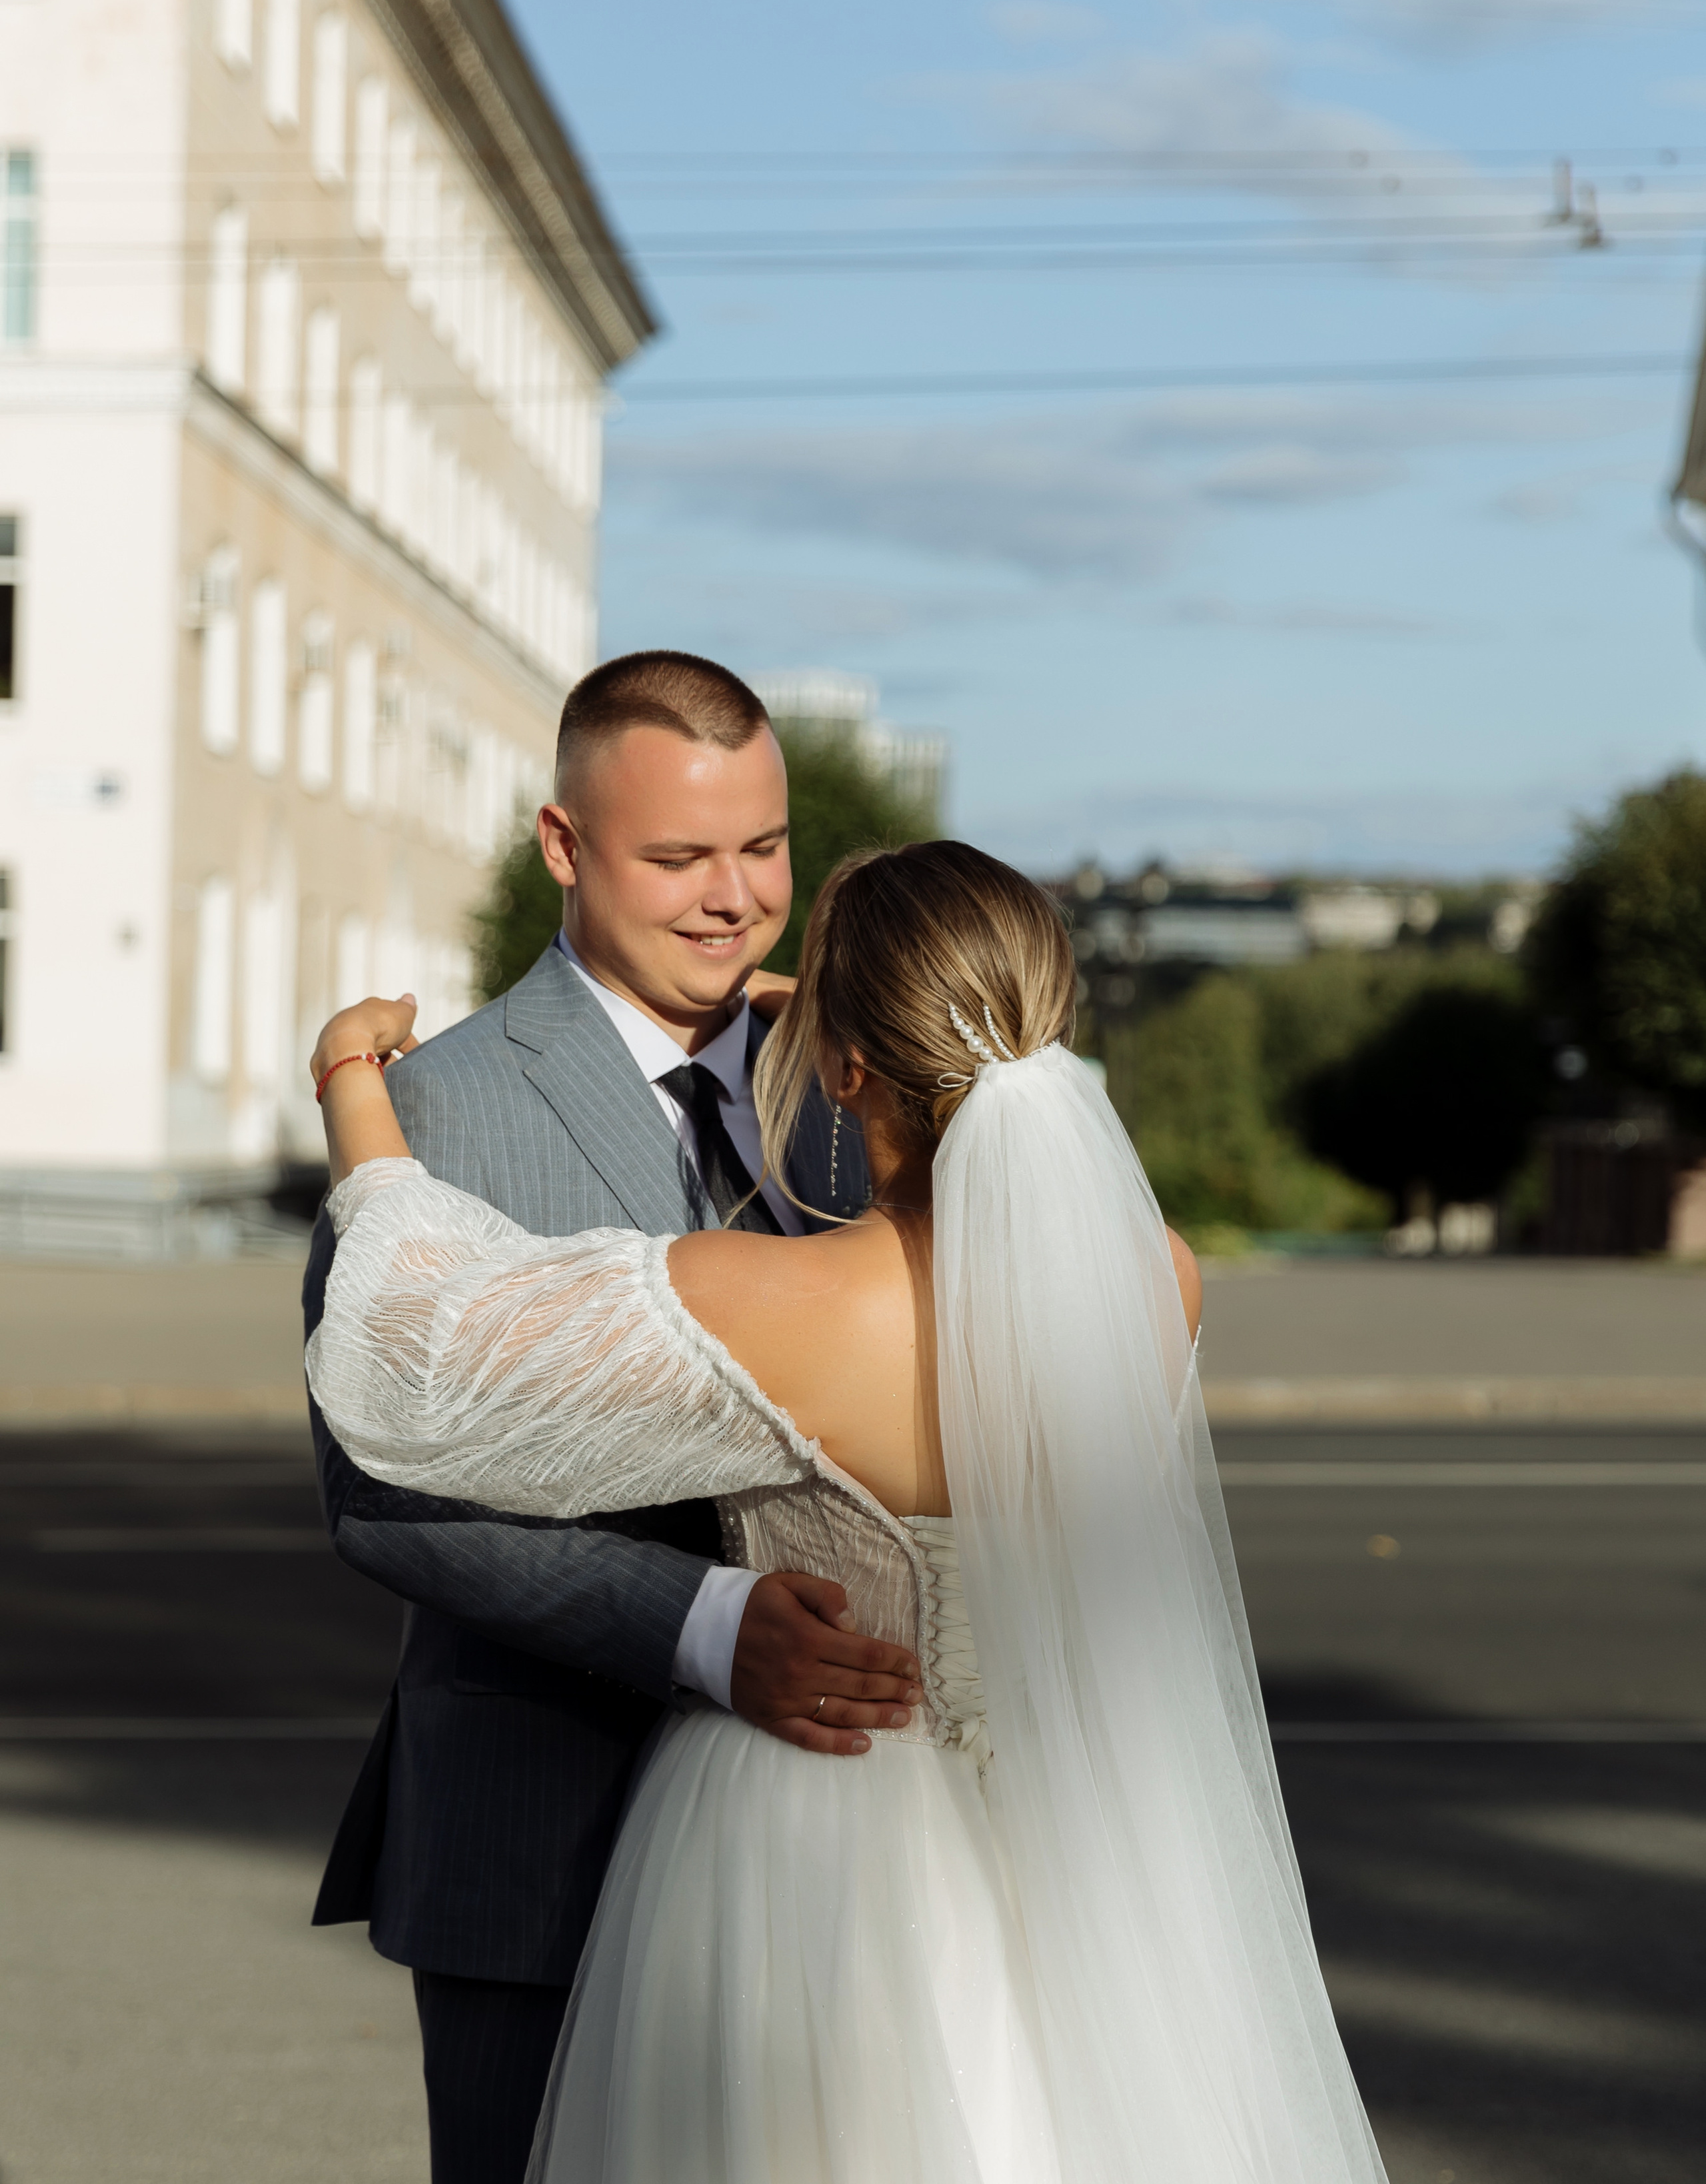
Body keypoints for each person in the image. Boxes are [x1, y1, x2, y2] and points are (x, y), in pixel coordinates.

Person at [307, 836, 1391, 2184]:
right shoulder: (1156, 1279)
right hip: (1057, 1844)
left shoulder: (791, 1304)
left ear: (844, 1066)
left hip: (797, 1844)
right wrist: (833, 1019)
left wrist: (355, 1088)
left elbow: (422, 1346)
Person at [301, 651, 922, 2184]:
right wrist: (711, 1629)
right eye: (678, 857)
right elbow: (379, 1493)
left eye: (763, 849)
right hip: (543, 1834)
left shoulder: (870, 1084)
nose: (732, 897)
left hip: (867, 1835)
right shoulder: (429, 1108)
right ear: (563, 847)